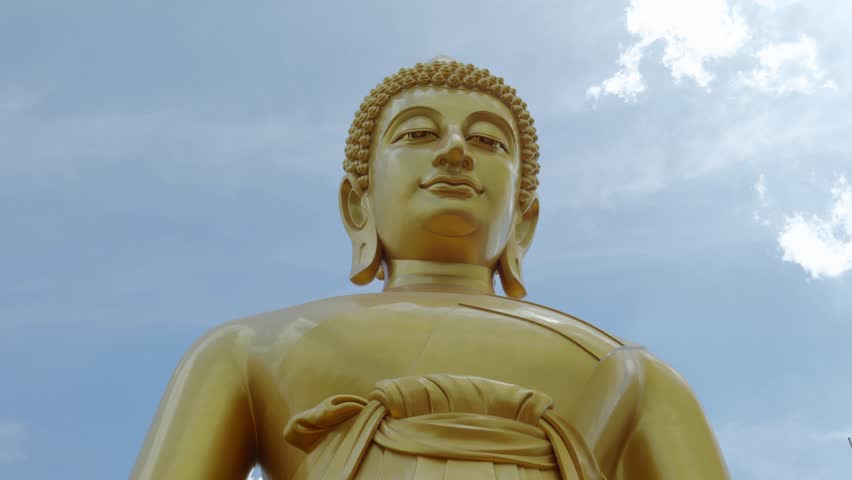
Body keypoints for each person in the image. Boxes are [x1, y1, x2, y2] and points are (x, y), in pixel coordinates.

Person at [132, 58, 730, 480]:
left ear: (523, 220)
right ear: (358, 204)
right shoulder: (249, 349)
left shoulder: (630, 374)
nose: (456, 151)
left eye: (489, 142)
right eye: (418, 133)